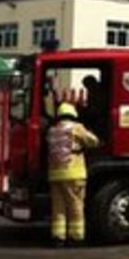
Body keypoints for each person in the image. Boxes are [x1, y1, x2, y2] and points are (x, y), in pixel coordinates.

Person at [47, 101, 100, 247]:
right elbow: (92, 141)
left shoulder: (52, 130)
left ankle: (58, 237)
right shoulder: (76, 128)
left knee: (58, 207)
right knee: (75, 205)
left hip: (55, 174)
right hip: (73, 173)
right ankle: (76, 237)